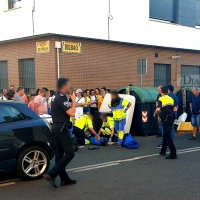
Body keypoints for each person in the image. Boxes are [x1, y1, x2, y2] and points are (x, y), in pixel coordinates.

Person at [43, 78, 76, 188]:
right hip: (61, 128)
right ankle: (52, 174)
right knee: (70, 153)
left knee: (59, 154)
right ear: (64, 86)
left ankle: (64, 179)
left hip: (56, 127)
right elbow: (71, 113)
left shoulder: (55, 97)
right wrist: (74, 101)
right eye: (68, 85)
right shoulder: (61, 98)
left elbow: (64, 109)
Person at [154, 86, 177, 159]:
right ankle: (163, 151)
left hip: (165, 118)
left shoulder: (161, 99)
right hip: (171, 117)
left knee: (167, 136)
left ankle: (173, 153)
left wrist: (154, 113)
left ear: (161, 92)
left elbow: (158, 109)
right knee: (165, 134)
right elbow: (175, 109)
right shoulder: (171, 98)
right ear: (167, 91)